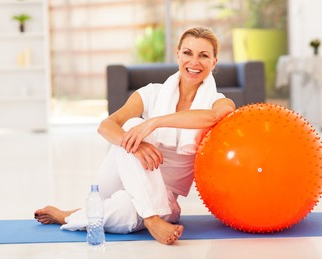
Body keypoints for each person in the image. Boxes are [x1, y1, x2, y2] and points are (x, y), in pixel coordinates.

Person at [34, 26, 235, 245]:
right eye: (187, 53)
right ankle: (151, 219)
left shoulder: (217, 101)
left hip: (164, 196)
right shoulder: (152, 93)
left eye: (203, 55)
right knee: (131, 124)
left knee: (126, 212)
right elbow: (106, 125)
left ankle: (69, 215)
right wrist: (134, 144)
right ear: (177, 54)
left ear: (214, 62)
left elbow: (217, 115)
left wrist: (156, 121)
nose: (194, 62)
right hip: (119, 177)